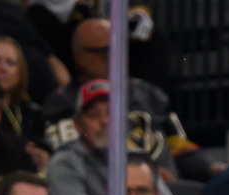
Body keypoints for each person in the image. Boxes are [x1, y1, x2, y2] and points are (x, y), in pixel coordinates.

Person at [39, 17, 210, 180]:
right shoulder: (62, 104)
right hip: (111, 188)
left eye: (118, 49)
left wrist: (209, 167)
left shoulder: (150, 94)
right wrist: (142, 175)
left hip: (168, 186)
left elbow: (179, 144)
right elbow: (76, 157)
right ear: (79, 58)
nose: (113, 58)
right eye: (103, 51)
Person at [45, 80, 178, 195]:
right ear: (78, 125)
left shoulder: (137, 156)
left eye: (111, 113)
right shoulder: (64, 164)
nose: (104, 121)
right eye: (94, 115)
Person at [0, 32, 49, 169]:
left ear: (20, 72)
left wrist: (45, 156)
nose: (2, 68)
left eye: (10, 63)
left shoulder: (32, 113)